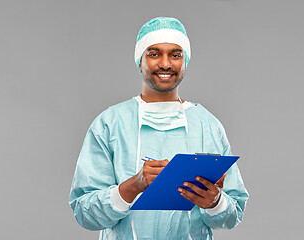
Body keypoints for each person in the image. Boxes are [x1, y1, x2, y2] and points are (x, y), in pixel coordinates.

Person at [69, 17, 249, 240]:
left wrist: (215, 202)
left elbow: (233, 212)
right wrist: (135, 185)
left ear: (186, 61)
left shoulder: (207, 125)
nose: (166, 64)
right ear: (139, 61)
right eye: (154, 54)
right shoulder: (110, 124)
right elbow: (84, 212)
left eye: (176, 54)